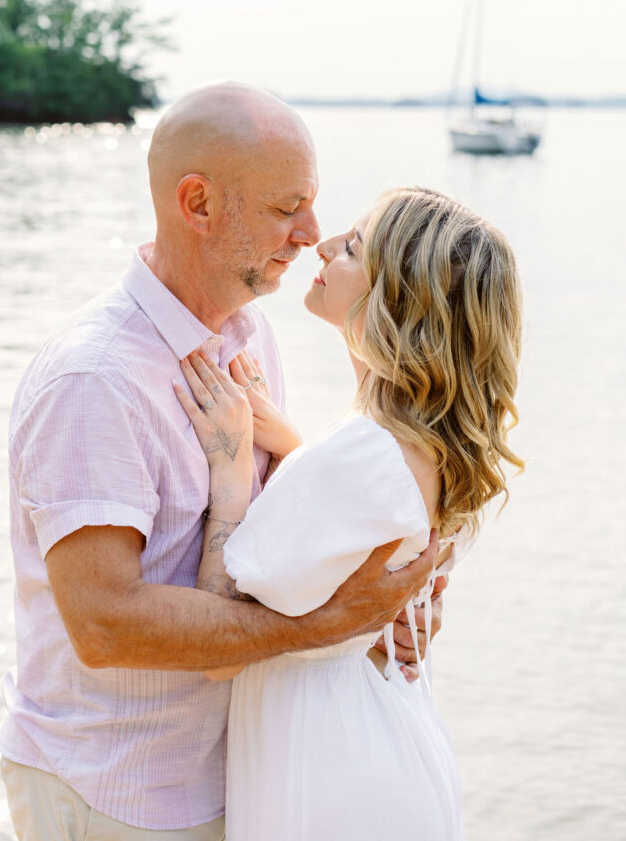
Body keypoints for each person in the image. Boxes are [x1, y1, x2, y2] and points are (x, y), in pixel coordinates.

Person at [0, 83, 441, 841]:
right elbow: (105, 624)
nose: (310, 233)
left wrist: (381, 611)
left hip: (236, 776)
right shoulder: (95, 380)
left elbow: (273, 547)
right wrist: (324, 624)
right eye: (285, 208)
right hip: (115, 789)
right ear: (197, 204)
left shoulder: (247, 338)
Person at [175, 186, 523, 840]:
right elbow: (363, 520)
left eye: (354, 247)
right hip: (384, 738)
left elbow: (218, 651)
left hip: (326, 766)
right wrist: (298, 451)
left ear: (395, 297)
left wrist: (230, 468)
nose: (324, 245)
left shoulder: (362, 455)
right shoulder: (431, 445)